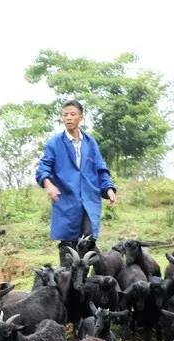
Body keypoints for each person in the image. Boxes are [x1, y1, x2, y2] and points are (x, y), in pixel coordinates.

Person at [35, 100, 117, 268]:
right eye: (65, 115)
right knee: (68, 244)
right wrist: (49, 185)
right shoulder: (55, 143)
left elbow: (101, 168)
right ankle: (67, 278)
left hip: (89, 200)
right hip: (66, 200)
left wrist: (108, 188)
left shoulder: (90, 142)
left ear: (81, 117)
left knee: (88, 241)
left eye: (72, 114)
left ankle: (83, 279)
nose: (68, 118)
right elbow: (43, 168)